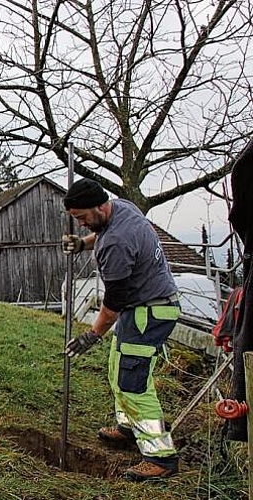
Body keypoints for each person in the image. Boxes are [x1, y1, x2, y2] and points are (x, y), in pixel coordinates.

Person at [62, 178, 180, 481]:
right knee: (118, 367)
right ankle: (128, 427)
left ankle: (160, 457)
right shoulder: (122, 207)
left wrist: (92, 335)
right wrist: (81, 243)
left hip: (149, 312)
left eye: (82, 218)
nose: (81, 224)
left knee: (133, 382)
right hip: (140, 306)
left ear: (100, 207)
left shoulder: (117, 243)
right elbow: (101, 232)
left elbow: (114, 302)